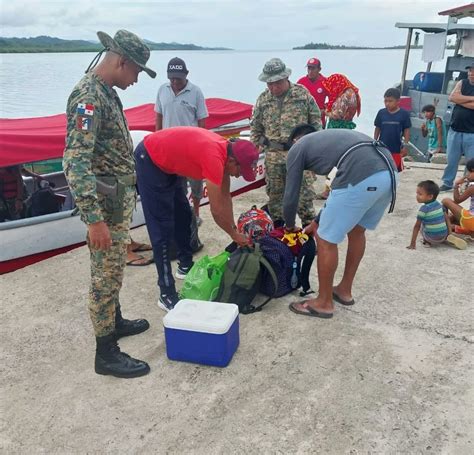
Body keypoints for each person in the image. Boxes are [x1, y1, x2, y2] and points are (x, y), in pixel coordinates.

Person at [63, 29, 156, 378]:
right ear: (121, 61)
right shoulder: (89, 97)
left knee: (113, 270)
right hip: (104, 210)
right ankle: (106, 354)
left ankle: (114, 322)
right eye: (136, 72)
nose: (135, 81)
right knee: (104, 277)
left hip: (115, 204)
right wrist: (94, 220)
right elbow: (75, 161)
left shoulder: (105, 92)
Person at [134, 127, 259, 311]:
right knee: (162, 228)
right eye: (240, 171)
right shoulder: (214, 157)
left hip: (170, 164)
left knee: (184, 216)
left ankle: (185, 264)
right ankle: (166, 293)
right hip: (150, 157)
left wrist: (235, 230)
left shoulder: (227, 154)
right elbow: (216, 210)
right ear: (233, 161)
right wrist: (233, 235)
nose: (239, 175)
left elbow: (226, 197)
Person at [282, 129, 398, 318]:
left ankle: (323, 303)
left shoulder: (298, 148)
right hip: (390, 174)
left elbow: (290, 196)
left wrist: (288, 225)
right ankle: (344, 290)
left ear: (295, 140)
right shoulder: (331, 141)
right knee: (357, 232)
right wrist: (317, 220)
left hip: (361, 174)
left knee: (325, 239)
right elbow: (339, 190)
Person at [250, 58, 321, 227]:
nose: (274, 87)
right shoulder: (263, 99)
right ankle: (281, 234)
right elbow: (255, 128)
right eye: (270, 84)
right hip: (273, 157)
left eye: (277, 83)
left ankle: (308, 235)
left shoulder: (302, 94)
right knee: (276, 197)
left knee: (304, 197)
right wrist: (253, 153)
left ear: (286, 78)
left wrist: (314, 150)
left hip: (300, 154)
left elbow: (316, 123)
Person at [155, 57, 208, 224]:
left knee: (196, 183)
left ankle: (197, 214)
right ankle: (180, 212)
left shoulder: (196, 92)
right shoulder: (162, 90)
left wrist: (202, 146)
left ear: (186, 75)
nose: (175, 81)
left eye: (178, 78)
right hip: (169, 147)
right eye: (171, 78)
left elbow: (202, 120)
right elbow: (158, 114)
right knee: (175, 184)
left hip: (191, 147)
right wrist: (157, 138)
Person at [318, 73, 362, 199]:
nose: (329, 89)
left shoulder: (345, 95)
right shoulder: (349, 92)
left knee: (333, 160)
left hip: (337, 131)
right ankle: (338, 188)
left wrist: (325, 112)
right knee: (343, 160)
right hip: (345, 130)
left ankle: (329, 190)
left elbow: (338, 115)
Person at [439, 65, 474, 192]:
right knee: (451, 160)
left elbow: (457, 99)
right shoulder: (462, 83)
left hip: (472, 133)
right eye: (470, 71)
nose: (471, 73)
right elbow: (452, 97)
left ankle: (467, 184)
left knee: (471, 163)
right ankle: (447, 183)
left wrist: (460, 100)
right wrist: (471, 99)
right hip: (455, 130)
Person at [407, 180, 466, 250]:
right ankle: (447, 238)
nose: (417, 196)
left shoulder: (423, 209)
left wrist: (412, 243)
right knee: (440, 221)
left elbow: (417, 226)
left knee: (422, 224)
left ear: (430, 196)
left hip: (432, 239)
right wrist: (450, 233)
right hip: (444, 235)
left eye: (420, 194)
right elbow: (447, 218)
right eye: (417, 193)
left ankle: (427, 242)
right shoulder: (439, 205)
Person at [374, 87, 411, 172]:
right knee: (382, 168)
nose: (387, 103)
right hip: (382, 146)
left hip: (396, 148)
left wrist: (405, 146)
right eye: (385, 101)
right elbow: (377, 128)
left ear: (398, 101)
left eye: (390, 101)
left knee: (395, 170)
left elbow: (406, 130)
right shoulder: (381, 113)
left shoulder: (404, 114)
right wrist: (375, 141)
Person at [442, 157, 474, 234]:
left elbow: (457, 200)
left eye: (469, 172)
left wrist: (456, 185)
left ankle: (446, 227)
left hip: (472, 220)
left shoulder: (472, 187)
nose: (468, 175)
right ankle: (464, 230)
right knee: (453, 217)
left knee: (446, 200)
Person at [297, 57, 328, 128]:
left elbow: (333, 99)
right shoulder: (301, 82)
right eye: (309, 68)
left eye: (313, 68)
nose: (310, 71)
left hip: (319, 121)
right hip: (304, 121)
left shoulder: (325, 82)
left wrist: (325, 109)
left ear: (319, 69)